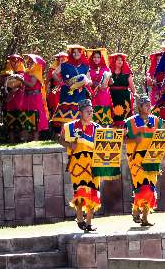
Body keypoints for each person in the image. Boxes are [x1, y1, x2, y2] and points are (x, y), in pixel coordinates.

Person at [58, 99, 101, 232]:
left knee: (93, 193)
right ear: (80, 112)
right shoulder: (70, 127)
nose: (90, 113)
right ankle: (79, 217)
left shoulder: (97, 128)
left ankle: (88, 223)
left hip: (94, 164)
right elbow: (60, 139)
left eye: (91, 110)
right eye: (87, 111)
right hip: (78, 165)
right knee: (81, 191)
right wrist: (69, 145)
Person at [124, 96, 164, 227]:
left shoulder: (157, 121)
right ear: (140, 107)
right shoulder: (129, 122)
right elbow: (121, 140)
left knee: (151, 188)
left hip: (152, 158)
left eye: (149, 104)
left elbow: (162, 138)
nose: (149, 106)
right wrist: (134, 140)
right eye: (146, 104)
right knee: (143, 187)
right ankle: (136, 210)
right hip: (136, 159)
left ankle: (144, 217)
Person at [51, 45, 91, 131]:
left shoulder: (85, 66)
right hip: (67, 92)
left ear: (81, 53)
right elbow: (54, 73)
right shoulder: (64, 65)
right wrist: (61, 81)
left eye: (78, 52)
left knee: (78, 116)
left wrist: (84, 82)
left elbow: (89, 80)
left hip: (80, 93)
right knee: (65, 116)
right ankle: (63, 136)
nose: (76, 54)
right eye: (74, 52)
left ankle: (77, 136)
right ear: (71, 53)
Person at [21, 54, 49, 141]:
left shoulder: (36, 72)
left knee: (36, 116)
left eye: (31, 61)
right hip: (27, 97)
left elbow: (31, 84)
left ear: (35, 63)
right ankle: (28, 138)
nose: (29, 62)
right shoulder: (28, 71)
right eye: (28, 60)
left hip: (35, 97)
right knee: (28, 115)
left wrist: (20, 80)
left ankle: (35, 139)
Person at [1, 54, 26, 142]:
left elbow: (24, 85)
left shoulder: (23, 74)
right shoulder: (5, 74)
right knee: (10, 121)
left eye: (17, 61)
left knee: (22, 120)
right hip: (9, 100)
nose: (15, 63)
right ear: (9, 62)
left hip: (21, 100)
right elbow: (2, 86)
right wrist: (6, 92)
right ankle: (11, 140)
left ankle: (22, 139)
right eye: (13, 61)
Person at [108, 53, 135, 129]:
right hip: (112, 96)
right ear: (114, 61)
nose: (120, 61)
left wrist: (135, 93)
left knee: (123, 116)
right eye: (118, 60)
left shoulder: (127, 73)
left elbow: (132, 85)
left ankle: (124, 135)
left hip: (124, 96)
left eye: (121, 60)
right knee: (112, 116)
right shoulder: (109, 72)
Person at [87, 49, 113, 126]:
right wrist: (94, 84)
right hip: (93, 95)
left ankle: (104, 134)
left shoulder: (106, 69)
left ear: (101, 58)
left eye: (98, 57)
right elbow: (87, 82)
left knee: (104, 117)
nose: (96, 59)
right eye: (94, 57)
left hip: (104, 95)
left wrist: (109, 77)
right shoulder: (89, 69)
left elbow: (111, 83)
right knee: (92, 116)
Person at [46, 52, 67, 124]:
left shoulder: (69, 68)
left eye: (64, 59)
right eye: (60, 59)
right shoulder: (52, 70)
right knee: (55, 108)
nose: (61, 61)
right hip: (55, 92)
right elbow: (47, 81)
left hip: (66, 92)